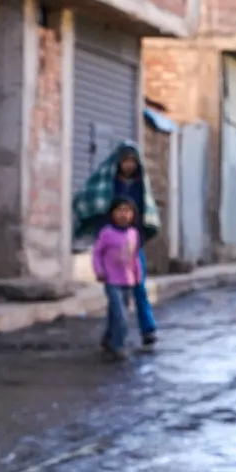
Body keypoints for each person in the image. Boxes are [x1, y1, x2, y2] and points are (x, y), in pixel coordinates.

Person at [74, 143, 160, 347]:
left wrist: (137, 233)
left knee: (138, 287)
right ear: (117, 162)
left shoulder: (140, 183)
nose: (128, 165)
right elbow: (93, 200)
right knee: (116, 298)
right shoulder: (107, 181)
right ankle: (111, 336)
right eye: (125, 161)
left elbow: (146, 210)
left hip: (132, 243)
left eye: (132, 161)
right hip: (112, 244)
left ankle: (147, 329)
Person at [91, 197, 143, 360]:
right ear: (112, 213)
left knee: (115, 314)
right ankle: (118, 346)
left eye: (127, 211)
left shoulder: (133, 234)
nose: (123, 215)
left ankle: (108, 338)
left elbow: (135, 257)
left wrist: (138, 275)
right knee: (121, 315)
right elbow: (96, 253)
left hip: (127, 281)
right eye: (119, 211)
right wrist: (99, 271)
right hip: (111, 280)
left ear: (133, 215)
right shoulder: (107, 233)